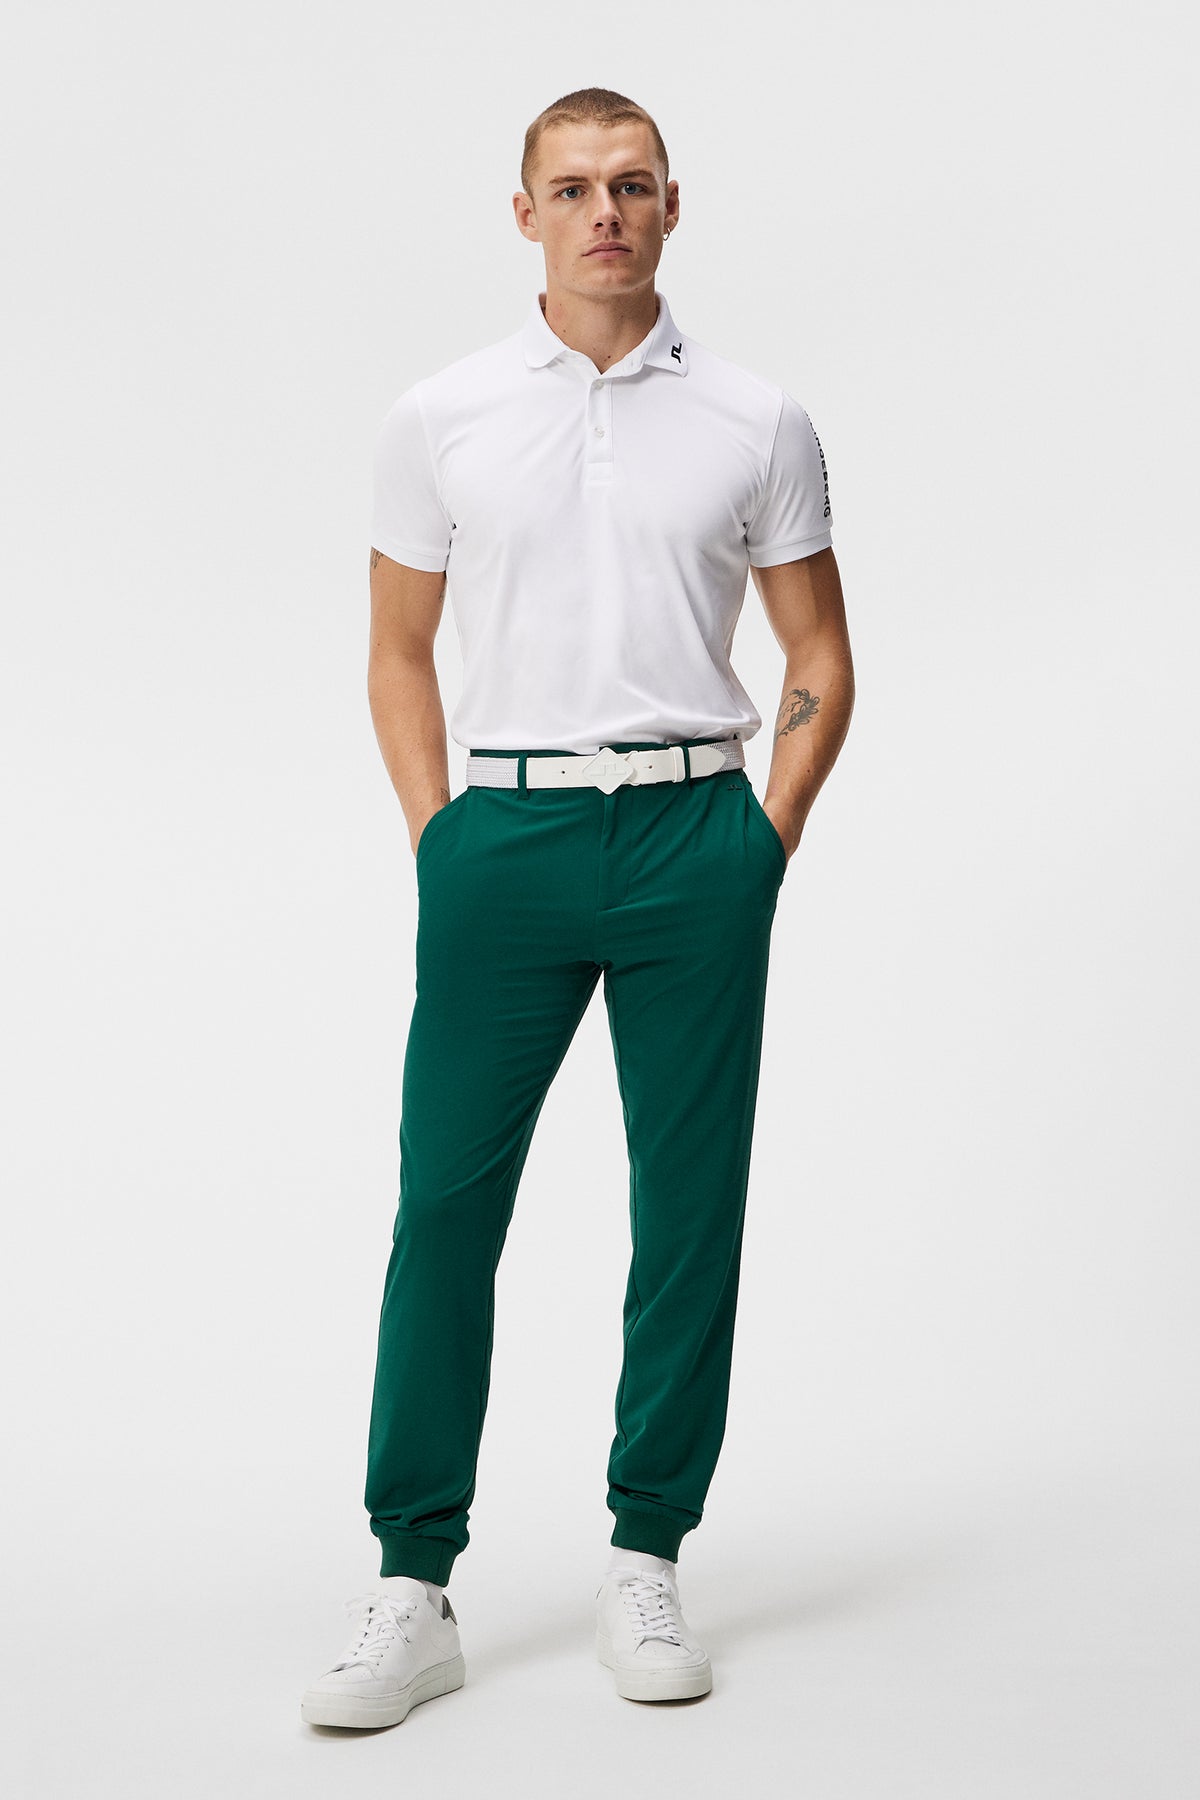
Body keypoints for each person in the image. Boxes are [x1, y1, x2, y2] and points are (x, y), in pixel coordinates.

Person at [301, 85, 854, 1729]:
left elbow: (818, 652)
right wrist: (441, 840)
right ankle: (413, 1584)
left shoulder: (756, 419)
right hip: (507, 839)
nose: (604, 211)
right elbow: (399, 651)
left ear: (673, 204)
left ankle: (647, 1553)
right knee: (445, 1208)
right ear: (526, 213)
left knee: (688, 1213)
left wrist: (763, 838)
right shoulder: (443, 416)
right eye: (572, 188)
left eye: (630, 185)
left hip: (697, 836)